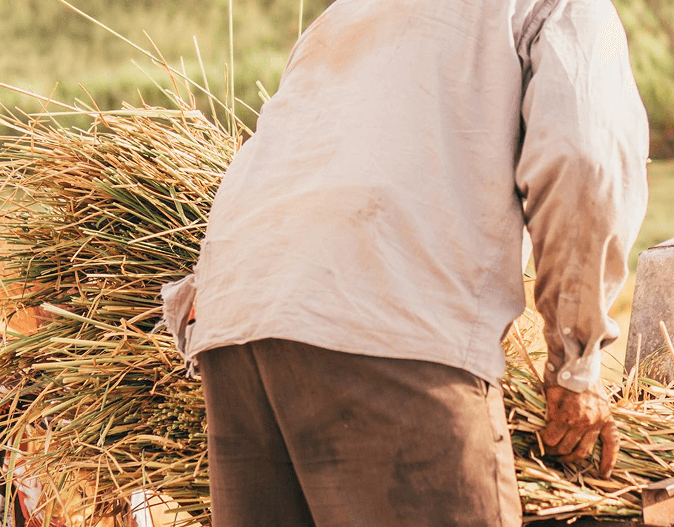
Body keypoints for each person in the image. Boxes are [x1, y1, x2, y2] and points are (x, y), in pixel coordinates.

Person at [161, 0, 649, 524]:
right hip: (386, 319)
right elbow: (585, 164)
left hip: (237, 320)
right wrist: (576, 366)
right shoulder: (570, 7)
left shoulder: (353, 9)